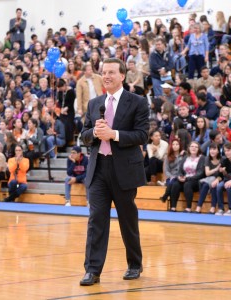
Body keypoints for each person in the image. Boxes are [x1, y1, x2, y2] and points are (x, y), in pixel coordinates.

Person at [79, 58, 149, 286]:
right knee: (96, 219)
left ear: (122, 76)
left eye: (111, 72)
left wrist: (114, 134)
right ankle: (92, 270)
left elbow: (141, 135)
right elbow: (84, 136)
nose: (106, 76)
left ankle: (134, 264)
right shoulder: (94, 103)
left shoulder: (137, 102)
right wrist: (95, 134)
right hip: (98, 168)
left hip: (124, 171)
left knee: (127, 221)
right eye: (104, 72)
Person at [169, 141, 205, 212]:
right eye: (192, 146)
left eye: (196, 147)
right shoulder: (185, 157)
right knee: (175, 184)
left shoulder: (202, 158)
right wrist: (180, 176)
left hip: (195, 180)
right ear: (189, 148)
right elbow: (180, 170)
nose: (193, 148)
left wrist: (188, 178)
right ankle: (173, 207)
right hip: (185, 179)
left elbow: (200, 173)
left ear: (198, 149)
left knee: (187, 184)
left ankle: (188, 207)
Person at [195, 143, 221, 214]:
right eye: (211, 149)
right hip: (209, 179)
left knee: (214, 185)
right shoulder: (207, 159)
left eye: (214, 149)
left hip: (219, 179)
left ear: (218, 151)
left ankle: (213, 208)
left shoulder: (222, 159)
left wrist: (217, 179)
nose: (212, 151)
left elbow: (222, 174)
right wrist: (216, 169)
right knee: (206, 185)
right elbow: (207, 173)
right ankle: (198, 207)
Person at [214, 142, 231, 216]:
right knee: (219, 186)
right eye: (225, 151)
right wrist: (218, 178)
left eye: (229, 150)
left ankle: (230, 209)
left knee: (228, 187)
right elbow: (220, 174)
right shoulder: (224, 160)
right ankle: (221, 208)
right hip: (226, 180)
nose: (227, 152)